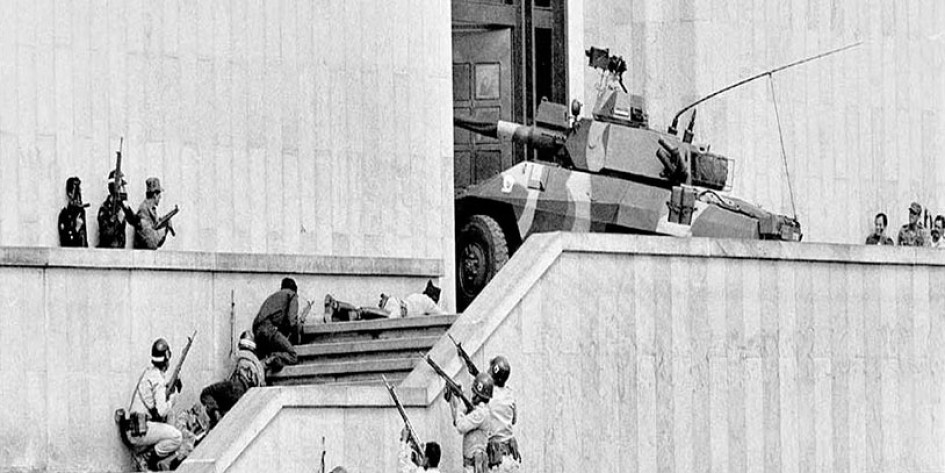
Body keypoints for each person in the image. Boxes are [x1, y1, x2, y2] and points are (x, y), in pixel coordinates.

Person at [127, 338, 183, 471]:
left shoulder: (150, 373)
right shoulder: (158, 380)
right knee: (177, 437)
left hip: (135, 427)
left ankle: (159, 461)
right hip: (139, 430)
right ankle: (146, 458)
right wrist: (173, 398)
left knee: (171, 415)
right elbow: (161, 410)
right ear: (167, 358)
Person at [199, 331, 266, 429]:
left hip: (237, 387)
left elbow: (229, 375)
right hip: (252, 393)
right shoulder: (258, 364)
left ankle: (216, 414)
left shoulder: (238, 355)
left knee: (206, 393)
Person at [252, 277, 312, 373]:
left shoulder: (274, 296)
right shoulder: (292, 295)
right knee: (293, 356)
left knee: (277, 361)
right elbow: (292, 321)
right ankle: (273, 357)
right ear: (295, 289)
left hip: (257, 331)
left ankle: (275, 359)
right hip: (269, 329)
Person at [324, 280, 445, 322]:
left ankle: (336, 305)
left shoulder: (417, 296)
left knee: (362, 311)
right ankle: (339, 307)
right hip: (398, 311)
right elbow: (442, 315)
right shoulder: (428, 302)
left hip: (394, 302)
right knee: (364, 313)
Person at [448, 372, 494, 473]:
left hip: (474, 467)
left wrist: (459, 405)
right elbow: (458, 420)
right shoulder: (480, 410)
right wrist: (458, 396)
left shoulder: (480, 413)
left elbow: (460, 426)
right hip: (471, 466)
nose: (472, 395)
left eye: (474, 393)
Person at [486, 356, 520, 473]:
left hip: (496, 459)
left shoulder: (488, 396)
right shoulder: (510, 394)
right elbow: (514, 420)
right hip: (511, 457)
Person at [97, 170, 137, 248]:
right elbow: (106, 235)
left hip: (120, 251)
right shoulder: (104, 208)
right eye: (121, 187)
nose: (123, 189)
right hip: (108, 253)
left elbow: (134, 222)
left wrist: (127, 208)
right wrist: (118, 221)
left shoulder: (121, 205)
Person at [133, 177, 173, 250]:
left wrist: (164, 227)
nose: (160, 197)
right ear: (154, 194)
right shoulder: (143, 210)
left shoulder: (152, 210)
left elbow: (158, 244)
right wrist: (164, 229)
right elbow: (150, 243)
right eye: (159, 194)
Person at [58, 176, 89, 247]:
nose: (78, 197)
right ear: (69, 193)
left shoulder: (81, 212)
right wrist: (76, 229)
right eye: (76, 192)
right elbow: (65, 241)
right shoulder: (64, 214)